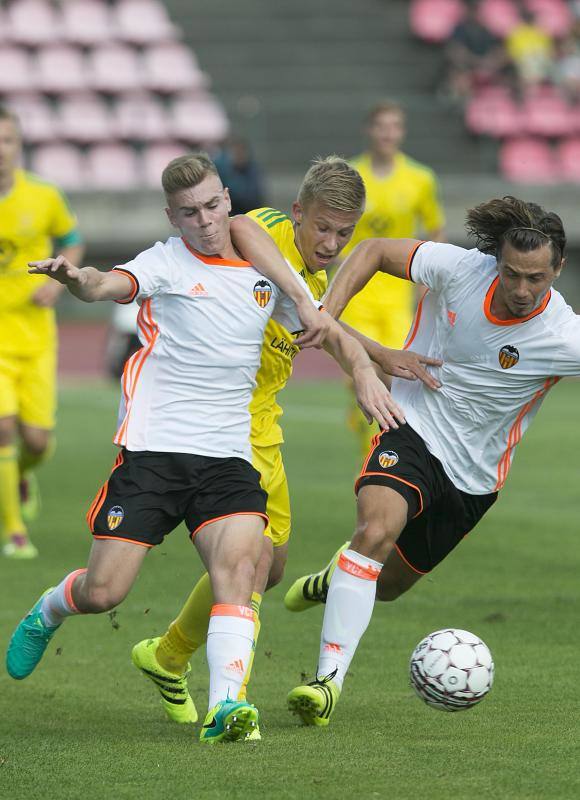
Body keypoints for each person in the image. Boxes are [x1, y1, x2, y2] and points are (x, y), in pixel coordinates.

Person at [5, 153, 402, 745]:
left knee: (247, 566)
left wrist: (369, 370)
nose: (209, 221)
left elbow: (325, 327)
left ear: (226, 200)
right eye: (191, 212)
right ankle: (52, 609)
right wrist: (76, 278)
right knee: (105, 590)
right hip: (154, 450)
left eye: (216, 205)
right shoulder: (167, 261)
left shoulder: (267, 264)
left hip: (230, 451)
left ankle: (226, 708)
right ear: (173, 218)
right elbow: (107, 284)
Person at [131, 156, 440, 738]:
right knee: (245, 564)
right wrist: (360, 352)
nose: (330, 242)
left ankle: (167, 655)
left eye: (344, 233)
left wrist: (379, 356)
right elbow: (241, 226)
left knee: (271, 569)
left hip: (263, 426)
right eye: (321, 227)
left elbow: (319, 326)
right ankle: (232, 703)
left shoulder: (317, 281)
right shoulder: (267, 233)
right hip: (221, 424)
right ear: (298, 213)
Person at [284, 195, 580, 728]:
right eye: (511, 274)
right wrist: (326, 318)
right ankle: (326, 683)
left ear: (558, 268)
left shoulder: (564, 336)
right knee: (376, 530)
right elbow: (372, 249)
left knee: (388, 584)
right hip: (411, 425)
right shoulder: (460, 268)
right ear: (496, 261)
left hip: (474, 479)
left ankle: (337, 577)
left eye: (535, 278)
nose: (520, 289)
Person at [339, 101, 446, 462]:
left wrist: (430, 280)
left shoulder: (420, 178)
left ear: (402, 132)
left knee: (402, 382)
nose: (387, 133)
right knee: (363, 377)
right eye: (381, 126)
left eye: (394, 126)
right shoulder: (350, 175)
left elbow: (435, 230)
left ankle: (395, 460)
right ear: (369, 130)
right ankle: (368, 464)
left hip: (398, 298)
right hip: (356, 296)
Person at [0, 107, 84, 558]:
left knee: (37, 440)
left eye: (7, 140)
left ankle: (20, 476)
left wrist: (60, 281)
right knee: (3, 429)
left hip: (34, 337)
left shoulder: (43, 196)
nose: (0, 150)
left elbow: (71, 239)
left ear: (18, 145)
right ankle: (13, 532)